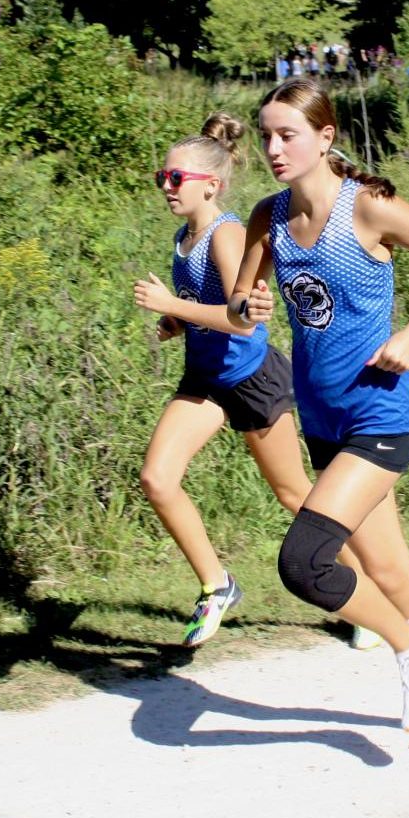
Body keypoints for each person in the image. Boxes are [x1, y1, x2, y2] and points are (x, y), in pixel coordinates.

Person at [228, 76, 409, 751]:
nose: (274, 148)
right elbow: (240, 299)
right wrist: (244, 309)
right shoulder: (270, 216)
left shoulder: (366, 208)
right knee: (392, 572)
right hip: (323, 421)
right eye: (266, 136)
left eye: (287, 134)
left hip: (380, 414)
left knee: (305, 560)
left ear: (324, 136)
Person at [131, 114, 318, 647]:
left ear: (210, 184)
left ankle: (358, 586)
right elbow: (204, 306)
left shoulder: (227, 233)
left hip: (251, 377)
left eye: (176, 179)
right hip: (206, 378)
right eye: (162, 177)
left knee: (293, 493)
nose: (166, 187)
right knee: (157, 479)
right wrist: (177, 319)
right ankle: (218, 586)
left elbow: (244, 317)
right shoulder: (182, 237)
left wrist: (171, 305)